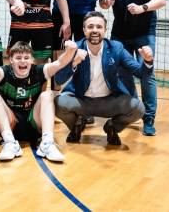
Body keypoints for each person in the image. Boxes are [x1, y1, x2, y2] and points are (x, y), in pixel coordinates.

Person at [54, 11, 154, 146]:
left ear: (105, 30)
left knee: (138, 109)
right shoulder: (75, 48)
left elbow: (140, 73)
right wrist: (74, 63)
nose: (95, 30)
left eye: (99, 27)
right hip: (82, 101)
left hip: (109, 102)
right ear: (84, 30)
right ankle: (77, 124)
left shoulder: (116, 48)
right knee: (58, 103)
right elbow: (59, 79)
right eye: (90, 27)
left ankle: (112, 127)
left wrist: (148, 61)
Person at [100, 0, 166, 136]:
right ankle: (134, 109)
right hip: (120, 33)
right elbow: (102, 2)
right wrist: (106, 1)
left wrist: (143, 8)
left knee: (147, 74)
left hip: (144, 33)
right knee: (122, 72)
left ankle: (149, 118)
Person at [0, 41, 81, 163]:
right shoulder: (4, 73)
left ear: (32, 60)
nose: (23, 61)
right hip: (12, 124)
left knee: (47, 95)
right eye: (18, 58)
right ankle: (9, 143)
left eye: (26, 58)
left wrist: (71, 50)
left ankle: (47, 143)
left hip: (34, 123)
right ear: (11, 60)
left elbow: (60, 63)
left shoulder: (39, 71)